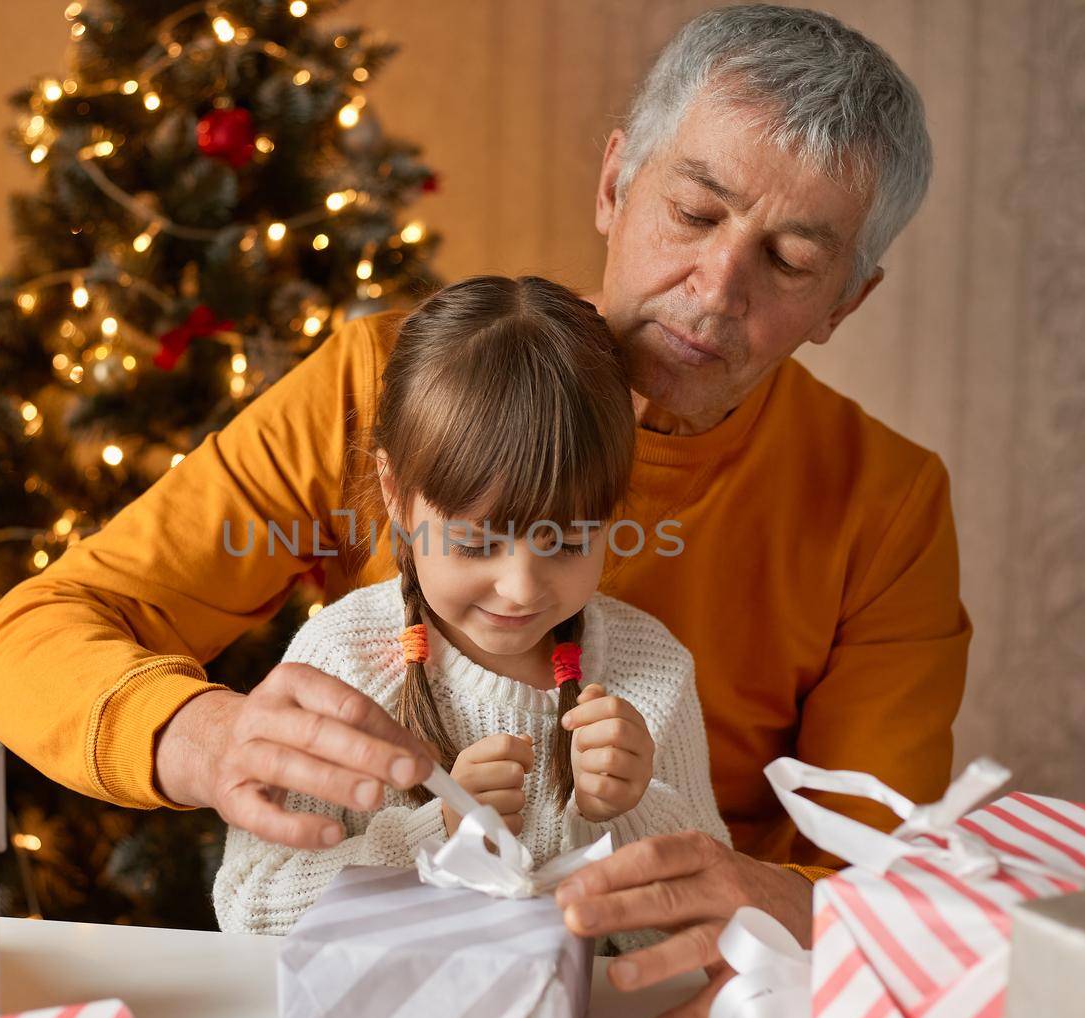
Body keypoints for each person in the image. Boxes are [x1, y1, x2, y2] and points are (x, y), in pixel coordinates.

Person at [0, 4, 968, 1018]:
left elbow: (885, 876)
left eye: (792, 261)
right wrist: (201, 735)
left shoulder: (883, 503)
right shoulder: (374, 390)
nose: (715, 291)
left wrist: (786, 900)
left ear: (845, 302)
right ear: (615, 183)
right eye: (694, 211)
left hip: (686, 1008)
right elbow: (31, 634)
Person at [212, 275, 729, 952]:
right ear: (397, 495)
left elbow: (712, 931)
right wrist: (433, 841)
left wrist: (628, 816)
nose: (519, 588)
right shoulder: (340, 664)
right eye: (477, 542)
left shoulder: (649, 673)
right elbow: (250, 908)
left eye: (568, 541)